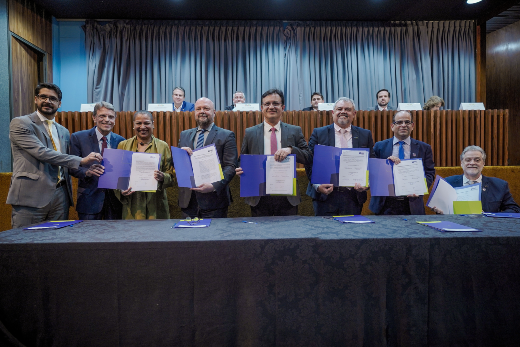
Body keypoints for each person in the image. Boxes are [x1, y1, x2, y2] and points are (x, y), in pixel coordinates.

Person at [7, 83, 102, 228]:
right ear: (35, 99)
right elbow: (42, 152)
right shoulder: (21, 123)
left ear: (59, 103)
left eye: (53, 98)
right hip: (31, 196)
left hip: (60, 196)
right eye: (43, 97)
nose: (48, 101)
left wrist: (87, 170)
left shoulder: (63, 131)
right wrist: (81, 160)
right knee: (26, 244)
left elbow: (64, 162)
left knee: (56, 244)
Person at [236, 88, 312, 216]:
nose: (271, 107)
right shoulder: (250, 133)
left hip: (287, 196)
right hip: (259, 196)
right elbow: (242, 160)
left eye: (275, 104)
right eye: (267, 104)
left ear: (283, 107)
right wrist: (240, 169)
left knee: (287, 235)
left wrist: (291, 149)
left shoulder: (295, 131)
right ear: (261, 107)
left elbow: (308, 156)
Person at [305, 97, 374, 216]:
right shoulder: (319, 133)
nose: (343, 111)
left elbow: (371, 162)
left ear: (354, 114)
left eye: (347, 109)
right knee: (325, 233)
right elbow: (309, 161)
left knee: (352, 233)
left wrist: (366, 184)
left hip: (353, 197)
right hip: (325, 196)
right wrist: (317, 185)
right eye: (339, 109)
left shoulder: (365, 135)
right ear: (333, 113)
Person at [178, 97, 238, 218]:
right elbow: (177, 165)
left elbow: (231, 166)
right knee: (188, 237)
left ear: (214, 112)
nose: (202, 111)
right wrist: (180, 156)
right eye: (198, 109)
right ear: (194, 112)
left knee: (214, 236)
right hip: (188, 202)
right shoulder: (184, 135)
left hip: (215, 201)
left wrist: (214, 186)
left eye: (206, 108)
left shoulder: (226, 135)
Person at [369, 110, 435, 215]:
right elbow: (372, 172)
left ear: (412, 126)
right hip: (385, 204)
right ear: (392, 126)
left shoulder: (424, 148)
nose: (403, 125)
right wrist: (386, 165)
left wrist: (418, 189)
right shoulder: (379, 146)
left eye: (407, 122)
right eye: (399, 122)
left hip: (412, 203)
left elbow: (429, 173)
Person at [69, 101, 126, 220]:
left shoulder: (121, 141)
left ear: (115, 119)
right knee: (89, 238)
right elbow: (71, 167)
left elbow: (123, 170)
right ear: (94, 117)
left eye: (110, 116)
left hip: (115, 203)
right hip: (89, 201)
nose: (107, 120)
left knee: (115, 238)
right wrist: (87, 172)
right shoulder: (78, 138)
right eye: (102, 116)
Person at [115, 111, 174, 219]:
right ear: (133, 125)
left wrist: (162, 177)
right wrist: (121, 189)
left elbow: (171, 176)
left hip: (156, 205)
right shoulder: (123, 146)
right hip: (133, 206)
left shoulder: (163, 146)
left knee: (157, 235)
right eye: (138, 123)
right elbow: (116, 176)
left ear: (153, 124)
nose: (143, 127)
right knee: (133, 235)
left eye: (146, 123)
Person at [432, 146, 520, 214]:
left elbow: (514, 209)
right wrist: (439, 211)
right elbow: (440, 210)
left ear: (483, 163)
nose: (472, 163)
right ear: (462, 163)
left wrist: (489, 216)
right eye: (468, 160)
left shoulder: (499, 185)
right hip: (455, 229)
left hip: (487, 230)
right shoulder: (447, 183)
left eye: (477, 160)